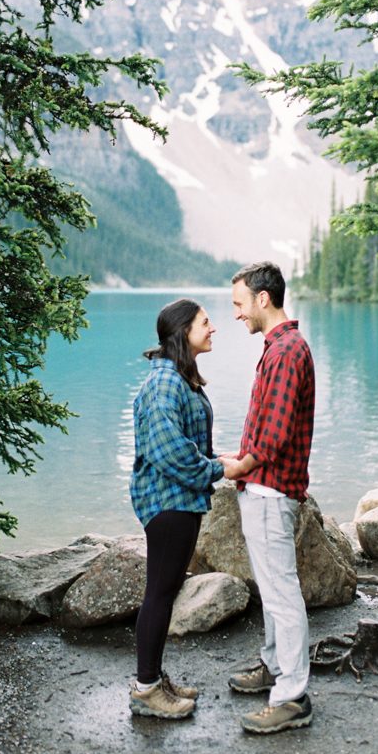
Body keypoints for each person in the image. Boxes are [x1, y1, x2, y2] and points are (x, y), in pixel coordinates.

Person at [221, 261, 315, 734]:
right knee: (275, 587)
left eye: (239, 304)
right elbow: (267, 428)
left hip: (269, 488)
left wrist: (238, 466)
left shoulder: (285, 352)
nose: (236, 314)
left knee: (281, 593)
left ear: (263, 298)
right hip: (268, 486)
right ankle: (275, 664)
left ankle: (293, 696)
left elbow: (272, 436)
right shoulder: (282, 346)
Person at [129, 297, 226, 720]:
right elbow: (171, 452)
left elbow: (185, 445)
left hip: (179, 500)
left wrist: (218, 463)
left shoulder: (177, 378)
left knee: (163, 593)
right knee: (159, 595)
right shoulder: (165, 383)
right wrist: (221, 468)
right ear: (184, 330)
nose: (213, 328)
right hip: (168, 502)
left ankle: (152, 677)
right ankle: (146, 690)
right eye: (205, 323)